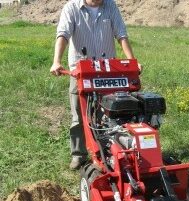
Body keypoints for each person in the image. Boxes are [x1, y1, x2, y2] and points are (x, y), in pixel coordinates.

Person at [50, 0, 141, 170]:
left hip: (107, 71)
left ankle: (108, 150)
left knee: (110, 113)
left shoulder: (110, 6)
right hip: (81, 72)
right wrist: (56, 61)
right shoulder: (72, 8)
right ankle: (79, 154)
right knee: (79, 115)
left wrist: (131, 62)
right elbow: (63, 34)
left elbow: (121, 34)